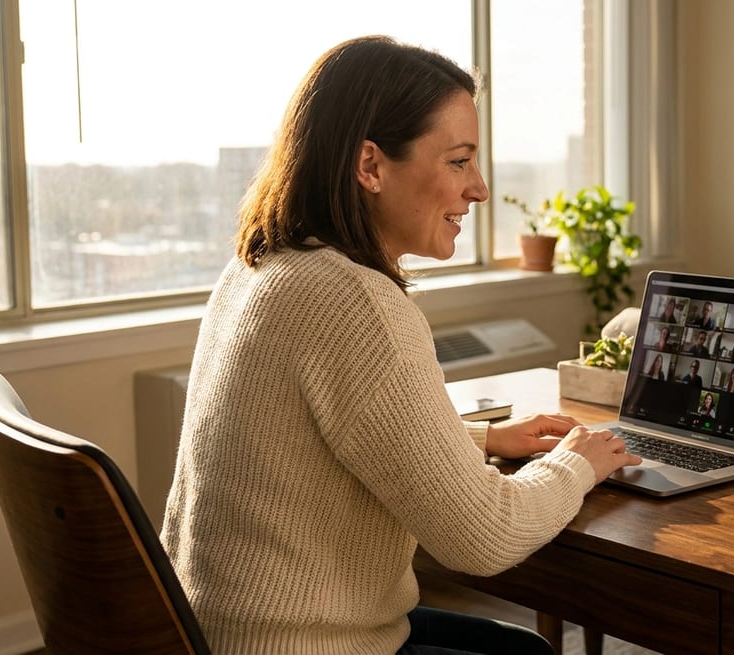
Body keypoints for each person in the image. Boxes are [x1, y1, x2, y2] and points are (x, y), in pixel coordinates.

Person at [160, 36, 641, 655]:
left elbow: (313, 438)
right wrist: (578, 462)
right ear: (371, 166)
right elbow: (484, 538)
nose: (481, 189)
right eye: (459, 161)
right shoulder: (354, 304)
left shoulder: (265, 266)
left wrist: (480, 438)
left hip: (215, 631)